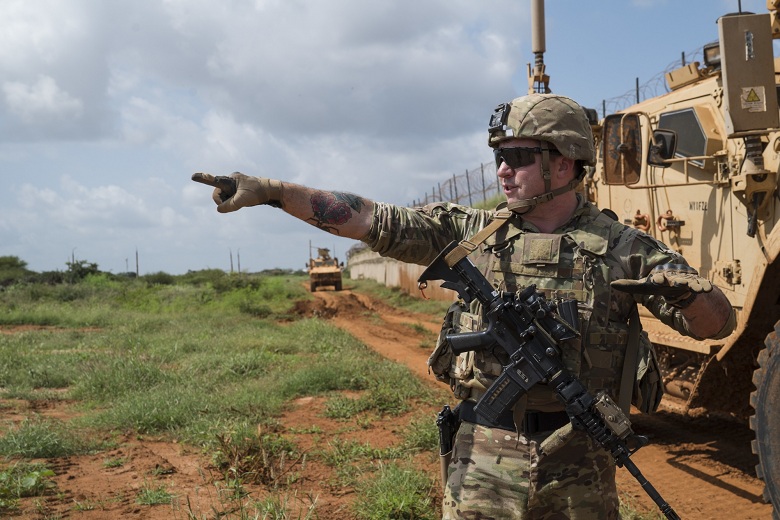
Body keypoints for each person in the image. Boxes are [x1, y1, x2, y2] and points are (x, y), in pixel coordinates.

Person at [196, 93, 735, 519]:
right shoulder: (469, 233)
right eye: (499, 157)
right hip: (482, 455)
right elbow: (366, 219)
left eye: (519, 157)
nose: (502, 170)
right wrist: (271, 191)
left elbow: (717, 324)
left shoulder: (625, 249)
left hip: (580, 464)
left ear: (566, 162)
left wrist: (690, 294)